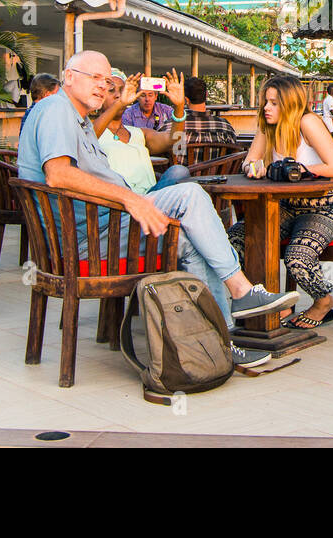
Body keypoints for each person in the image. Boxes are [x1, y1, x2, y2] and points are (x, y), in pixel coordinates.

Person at [17, 50, 296, 367]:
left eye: (107, 81)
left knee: (189, 225)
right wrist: (131, 199)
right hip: (94, 237)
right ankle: (241, 295)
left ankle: (222, 339)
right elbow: (58, 174)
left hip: (113, 222)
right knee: (188, 193)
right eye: (94, 78)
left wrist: (179, 110)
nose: (102, 86)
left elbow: (177, 151)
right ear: (68, 77)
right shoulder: (57, 110)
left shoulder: (99, 124)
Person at [234, 75, 333, 329]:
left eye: (273, 103)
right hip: (284, 205)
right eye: (266, 102)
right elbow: (249, 161)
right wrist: (256, 168)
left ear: (290, 103)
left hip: (323, 206)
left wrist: (298, 168)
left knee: (298, 258)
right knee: (236, 241)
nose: (266, 107)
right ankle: (270, 302)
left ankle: (323, 301)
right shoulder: (268, 127)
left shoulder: (307, 122)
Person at [93, 69, 194, 195]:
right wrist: (119, 104)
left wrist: (179, 107)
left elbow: (174, 138)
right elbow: (88, 137)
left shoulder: (139, 133)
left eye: (122, 90)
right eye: (111, 90)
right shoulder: (91, 131)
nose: (118, 95)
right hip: (117, 202)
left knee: (179, 171)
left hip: (149, 199)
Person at [180, 75, 238, 147]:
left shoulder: (172, 126)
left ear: (186, 99)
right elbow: (234, 151)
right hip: (218, 158)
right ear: (206, 94)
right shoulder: (225, 126)